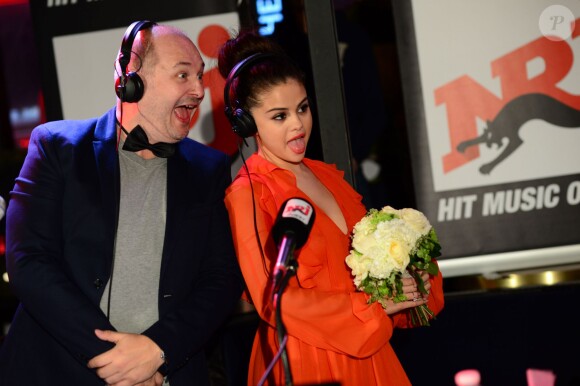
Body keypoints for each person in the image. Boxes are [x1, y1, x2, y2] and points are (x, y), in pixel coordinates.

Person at [0, 21, 243, 386]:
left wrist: (158, 351)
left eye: (200, 76)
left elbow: (221, 280)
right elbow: (28, 261)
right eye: (183, 75)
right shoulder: (56, 147)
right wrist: (119, 361)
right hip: (57, 371)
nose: (199, 90)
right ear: (132, 77)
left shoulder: (210, 169)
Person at [218, 30, 444, 386]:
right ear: (246, 123)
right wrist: (370, 309)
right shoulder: (248, 193)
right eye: (279, 116)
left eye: (302, 108)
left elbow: (369, 272)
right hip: (308, 359)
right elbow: (272, 299)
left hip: (371, 353)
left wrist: (404, 281)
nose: (298, 124)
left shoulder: (327, 175)